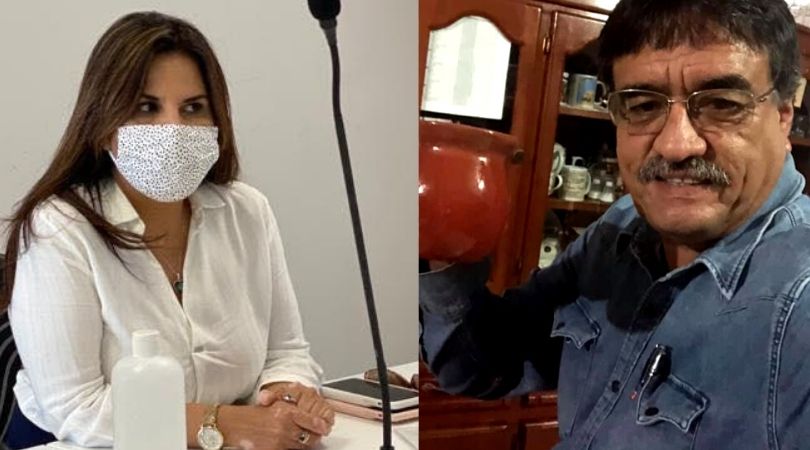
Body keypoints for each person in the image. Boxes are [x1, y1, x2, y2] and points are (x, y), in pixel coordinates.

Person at [420, 0, 810, 448]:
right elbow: (483, 366)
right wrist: (442, 244)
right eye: (642, 105)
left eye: (722, 104)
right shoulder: (622, 227)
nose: (675, 145)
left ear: (783, 115)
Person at [0, 12, 334, 450]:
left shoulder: (248, 212)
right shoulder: (57, 229)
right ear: (103, 125)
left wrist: (286, 395)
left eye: (193, 108)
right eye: (146, 107)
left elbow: (285, 350)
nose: (173, 129)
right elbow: (77, 408)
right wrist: (227, 425)